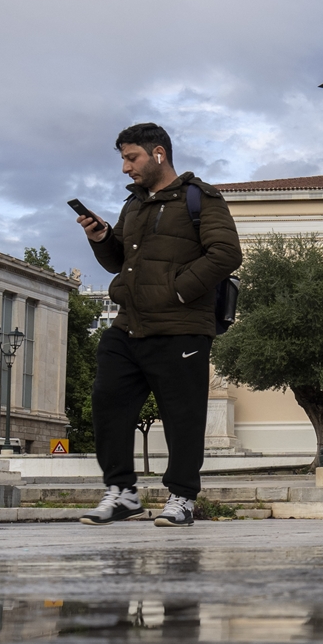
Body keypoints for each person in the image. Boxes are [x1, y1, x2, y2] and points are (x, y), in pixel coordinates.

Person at [78, 123, 242, 526]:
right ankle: (123, 493)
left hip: (181, 326)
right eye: (122, 158)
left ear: (158, 155)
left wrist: (177, 291)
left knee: (183, 415)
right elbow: (120, 262)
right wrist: (101, 239)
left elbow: (226, 254)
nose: (124, 168)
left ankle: (182, 496)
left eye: (130, 158)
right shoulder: (133, 205)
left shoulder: (201, 198)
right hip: (128, 325)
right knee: (108, 403)